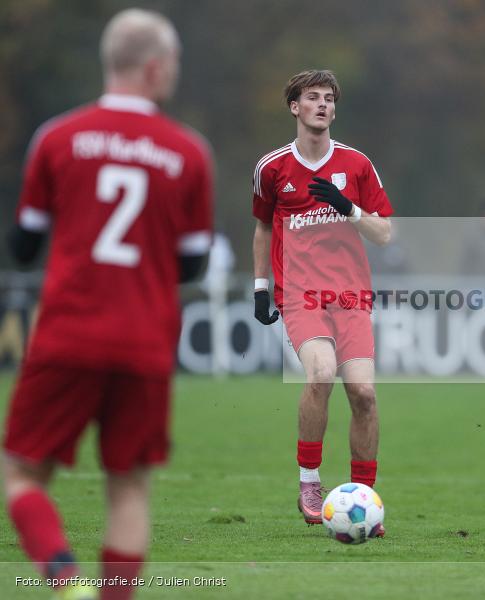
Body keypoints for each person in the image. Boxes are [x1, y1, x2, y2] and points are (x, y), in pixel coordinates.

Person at [3, 9, 212, 600]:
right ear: (153, 67)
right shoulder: (188, 152)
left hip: (67, 332)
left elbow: (22, 246)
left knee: (21, 473)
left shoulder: (58, 137)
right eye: (171, 64)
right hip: (144, 339)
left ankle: (66, 581)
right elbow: (192, 263)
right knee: (129, 487)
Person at [251, 70, 393, 530]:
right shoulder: (272, 168)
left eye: (329, 99)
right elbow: (262, 228)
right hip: (301, 294)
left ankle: (363, 498)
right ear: (295, 106)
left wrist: (347, 207)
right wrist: (259, 288)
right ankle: (309, 481)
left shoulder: (355, 165)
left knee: (365, 396)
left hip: (351, 295)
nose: (322, 105)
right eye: (313, 98)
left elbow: (384, 233)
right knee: (321, 373)